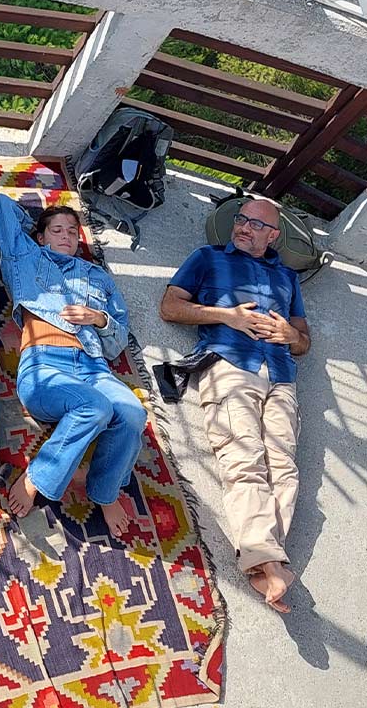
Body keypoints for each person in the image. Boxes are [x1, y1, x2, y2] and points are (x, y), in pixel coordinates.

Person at [160, 198, 310, 613]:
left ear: (273, 235)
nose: (243, 227)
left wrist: (289, 335)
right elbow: (170, 306)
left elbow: (304, 340)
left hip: (280, 373)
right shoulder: (207, 257)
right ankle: (266, 561)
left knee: (284, 465)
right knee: (243, 456)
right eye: (240, 219)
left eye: (254, 224)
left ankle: (266, 560)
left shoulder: (287, 277)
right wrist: (225, 316)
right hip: (230, 363)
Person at [0, 195, 145, 536]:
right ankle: (38, 477)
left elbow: (117, 341)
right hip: (45, 365)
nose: (65, 236)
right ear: (41, 236)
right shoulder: (25, 257)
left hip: (93, 366)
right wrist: (36, 223)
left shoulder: (97, 276)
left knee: (134, 413)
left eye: (72, 231)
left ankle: (104, 491)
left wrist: (99, 318)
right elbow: (0, 204)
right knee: (96, 407)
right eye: (56, 230)